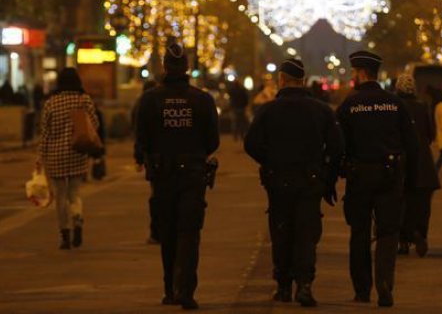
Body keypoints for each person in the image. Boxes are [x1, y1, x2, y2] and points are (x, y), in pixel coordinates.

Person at [244, 58, 343, 307]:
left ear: (282, 80)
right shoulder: (320, 110)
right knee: (306, 235)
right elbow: (337, 146)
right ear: (302, 80)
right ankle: (305, 284)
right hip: (310, 181)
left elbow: (251, 144)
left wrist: (269, 160)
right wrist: (326, 176)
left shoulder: (268, 110)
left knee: (281, 232)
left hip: (279, 181)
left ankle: (284, 285)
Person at [135, 43, 220, 310]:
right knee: (189, 233)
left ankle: (170, 290)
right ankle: (186, 289)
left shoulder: (150, 100)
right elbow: (212, 141)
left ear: (164, 66)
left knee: (168, 233)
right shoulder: (202, 99)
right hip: (193, 174)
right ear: (187, 67)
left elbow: (142, 139)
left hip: (162, 175)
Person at [336, 51, 418, 308]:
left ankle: (362, 289)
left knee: (359, 232)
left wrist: (338, 172)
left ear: (361, 74)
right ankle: (384, 282)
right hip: (390, 176)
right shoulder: (395, 104)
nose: (352, 77)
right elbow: (412, 144)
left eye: (353, 73)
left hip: (360, 176)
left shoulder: (349, 105)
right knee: (388, 232)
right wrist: (410, 179)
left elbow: (339, 144)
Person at [38, 68, 99, 249]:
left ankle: (65, 234)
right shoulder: (84, 100)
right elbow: (94, 124)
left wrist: (41, 155)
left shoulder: (51, 103)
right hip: (77, 151)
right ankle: (77, 218)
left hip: (56, 155)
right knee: (75, 192)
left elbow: (45, 132)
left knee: (60, 196)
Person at [394, 73, 439, 257]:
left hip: (402, 163)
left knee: (400, 202)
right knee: (422, 205)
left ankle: (403, 239)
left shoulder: (395, 107)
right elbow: (430, 135)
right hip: (424, 165)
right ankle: (419, 232)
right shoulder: (423, 108)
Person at [132, 80, 159, 243]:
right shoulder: (159, 103)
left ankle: (156, 232)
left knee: (156, 195)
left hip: (153, 157)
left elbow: (139, 133)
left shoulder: (141, 105)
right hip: (163, 154)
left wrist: (139, 157)